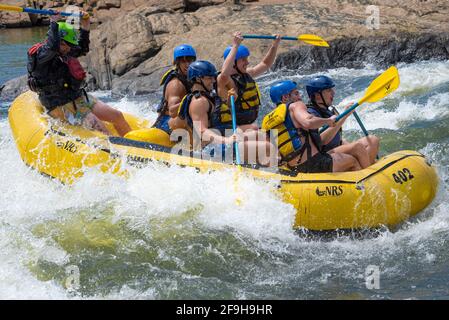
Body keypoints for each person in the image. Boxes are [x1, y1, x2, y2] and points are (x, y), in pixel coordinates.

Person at [27, 12, 131, 136]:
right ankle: (118, 153)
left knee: (117, 116)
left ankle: (137, 146)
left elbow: (83, 48)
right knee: (104, 132)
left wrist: (85, 25)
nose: (70, 49)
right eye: (68, 45)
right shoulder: (41, 55)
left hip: (78, 98)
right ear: (59, 41)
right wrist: (53, 22)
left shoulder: (65, 50)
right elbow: (52, 47)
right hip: (60, 105)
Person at [262, 80, 361, 173]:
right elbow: (308, 121)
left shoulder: (266, 121)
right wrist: (328, 121)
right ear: (285, 98)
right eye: (296, 93)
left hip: (293, 168)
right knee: (352, 161)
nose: (300, 97)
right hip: (314, 163)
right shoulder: (295, 106)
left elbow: (271, 152)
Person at [305, 76, 380, 168]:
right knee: (357, 147)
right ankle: (367, 174)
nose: (333, 92)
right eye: (329, 90)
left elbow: (337, 139)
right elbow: (322, 140)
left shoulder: (329, 110)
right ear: (317, 95)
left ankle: (365, 167)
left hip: (336, 149)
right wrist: (344, 115)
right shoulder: (311, 113)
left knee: (372, 140)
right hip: (322, 156)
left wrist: (348, 145)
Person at [214, 32, 281, 133]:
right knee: (258, 131)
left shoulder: (246, 74)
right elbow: (224, 75)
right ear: (233, 63)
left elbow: (265, 64)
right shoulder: (224, 80)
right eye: (243, 59)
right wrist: (235, 45)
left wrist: (275, 45)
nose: (247, 62)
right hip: (231, 129)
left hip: (247, 126)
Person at [176, 60, 238, 160]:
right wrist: (227, 140)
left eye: (213, 77)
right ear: (197, 79)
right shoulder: (198, 102)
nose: (213, 81)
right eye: (209, 78)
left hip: (220, 145)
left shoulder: (210, 97)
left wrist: (231, 102)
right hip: (209, 150)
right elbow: (202, 131)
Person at [155, 44, 196, 134]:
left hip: (177, 121)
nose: (187, 64)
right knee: (188, 120)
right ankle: (195, 147)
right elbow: (173, 111)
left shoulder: (193, 78)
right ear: (177, 63)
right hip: (165, 124)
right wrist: (192, 99)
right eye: (183, 61)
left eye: (190, 61)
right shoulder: (176, 85)